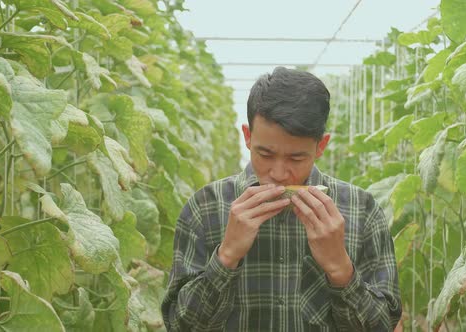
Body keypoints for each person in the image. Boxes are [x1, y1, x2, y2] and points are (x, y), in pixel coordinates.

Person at [161, 67, 401, 331]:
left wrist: (340, 268)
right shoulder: (205, 208)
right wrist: (227, 255)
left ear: (321, 146)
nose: (278, 173)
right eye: (265, 154)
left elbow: (384, 325)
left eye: (296, 158)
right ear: (247, 137)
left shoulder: (361, 211)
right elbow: (178, 324)